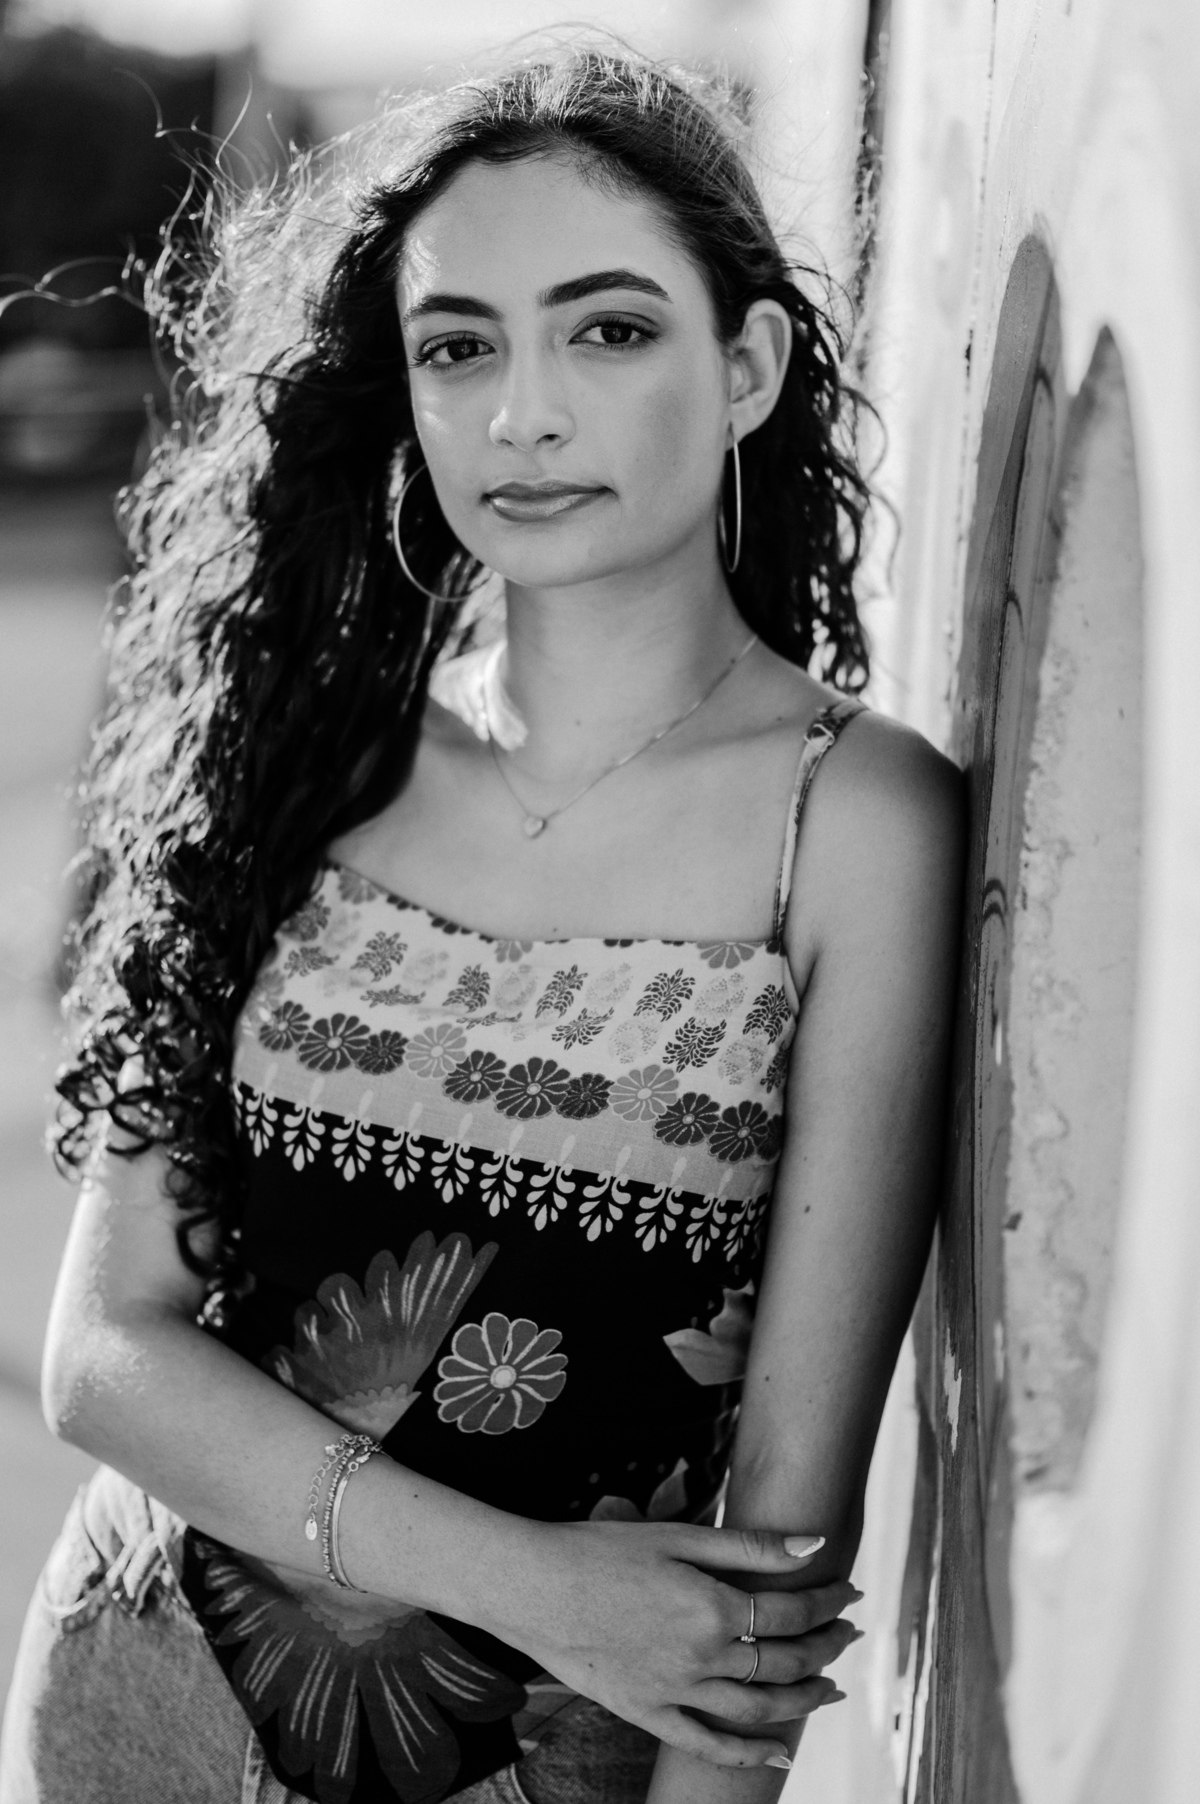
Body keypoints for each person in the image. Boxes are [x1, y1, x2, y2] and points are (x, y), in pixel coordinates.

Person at [0, 45, 963, 1804]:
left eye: (610, 330)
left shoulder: (855, 822)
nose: (525, 412)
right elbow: (103, 1353)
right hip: (134, 1699)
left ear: (747, 368)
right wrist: (538, 1588)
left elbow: (778, 1544)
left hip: (541, 1771)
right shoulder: (306, 752)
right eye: (460, 347)